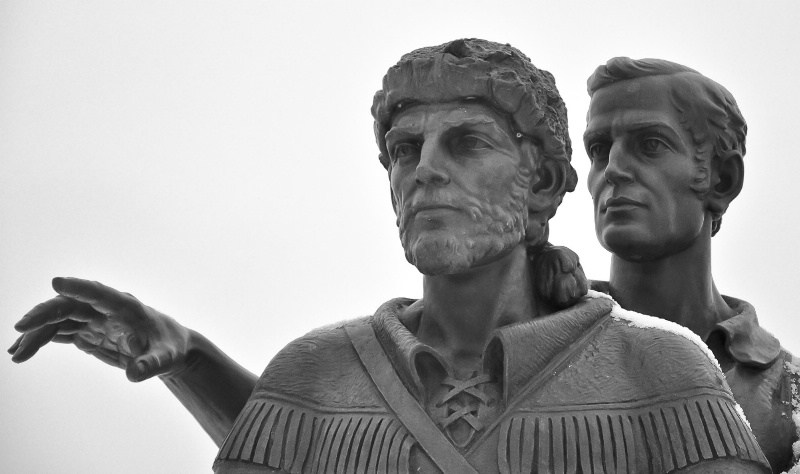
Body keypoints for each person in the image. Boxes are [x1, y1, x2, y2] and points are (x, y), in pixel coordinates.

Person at [10, 40, 770, 473]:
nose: (426, 170)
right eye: (404, 151)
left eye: (466, 142)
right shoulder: (312, 371)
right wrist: (191, 360)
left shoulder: (664, 372)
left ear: (541, 180)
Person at [584, 57, 800, 472]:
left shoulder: (787, 394)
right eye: (598, 150)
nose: (612, 168)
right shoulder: (533, 343)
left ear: (722, 180)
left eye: (650, 145)